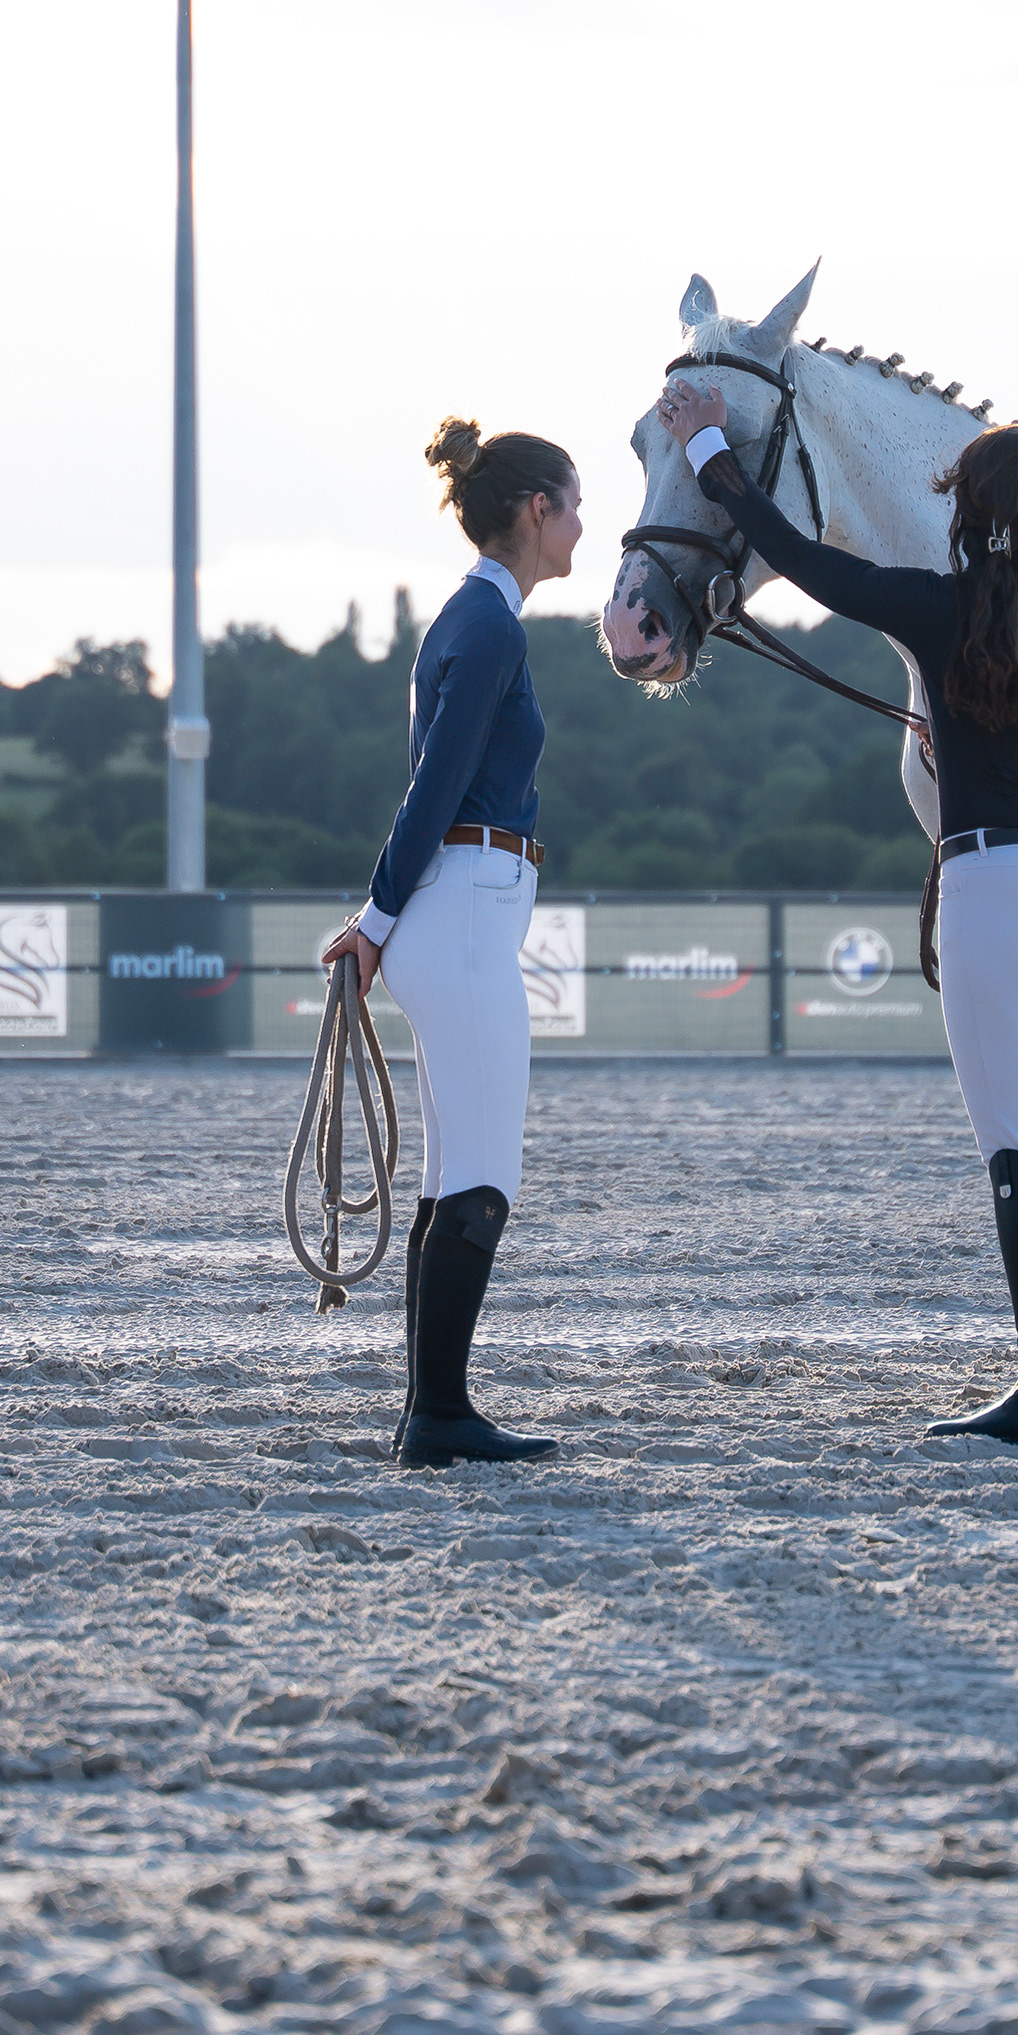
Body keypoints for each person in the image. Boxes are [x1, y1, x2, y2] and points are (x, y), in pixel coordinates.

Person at [659, 378, 1018, 1452]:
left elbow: (805, 558)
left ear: (966, 507)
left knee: (1016, 1152)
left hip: (996, 888)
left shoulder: (935, 605)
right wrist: (990, 739)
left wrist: (709, 455)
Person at [324, 420, 580, 1469]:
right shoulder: (490, 625)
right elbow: (432, 787)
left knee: (453, 1175)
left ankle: (435, 1405)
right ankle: (438, 1413)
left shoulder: (476, 618)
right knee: (482, 1174)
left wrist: (385, 917)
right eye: (572, 504)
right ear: (534, 512)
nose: (580, 526)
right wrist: (376, 917)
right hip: (462, 909)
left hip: (463, 910)